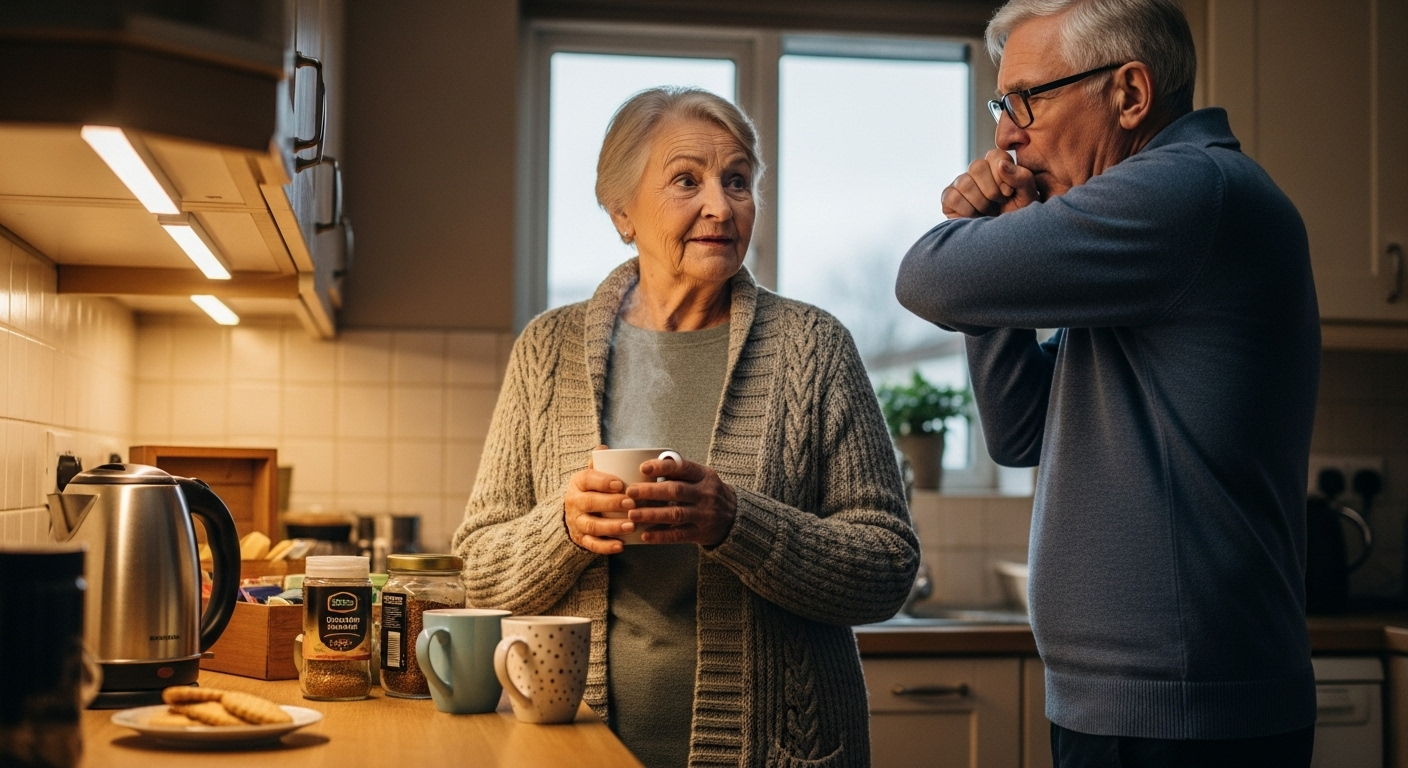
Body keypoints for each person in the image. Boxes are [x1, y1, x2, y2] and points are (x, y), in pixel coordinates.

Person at [895, 1, 1319, 766]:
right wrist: (997, 253)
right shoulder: (1141, 245)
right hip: (1133, 706)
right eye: (1002, 105)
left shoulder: (1189, 191)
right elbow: (1020, 431)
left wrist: (980, 226)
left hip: (1187, 716)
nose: (1005, 134)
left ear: (1128, 94)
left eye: (1026, 99)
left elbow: (928, 276)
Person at [453, 86, 918, 768]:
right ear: (622, 212)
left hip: (779, 752)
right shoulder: (547, 351)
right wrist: (565, 528)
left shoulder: (813, 347)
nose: (720, 206)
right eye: (686, 181)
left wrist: (734, 521)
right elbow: (475, 574)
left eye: (737, 181)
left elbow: (888, 567)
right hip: (572, 750)